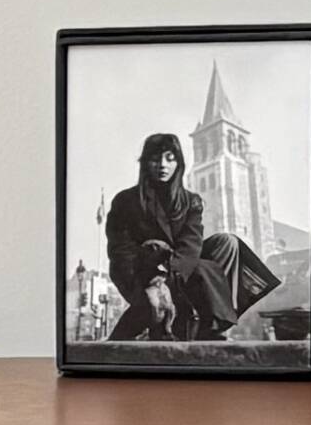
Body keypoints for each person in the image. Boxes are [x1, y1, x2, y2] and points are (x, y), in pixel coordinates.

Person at [104, 131, 279, 342]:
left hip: (178, 268)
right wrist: (152, 278)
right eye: (155, 158)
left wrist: (171, 271)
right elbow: (121, 250)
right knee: (203, 269)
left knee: (228, 243)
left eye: (170, 158)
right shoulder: (125, 200)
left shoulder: (190, 201)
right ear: (145, 163)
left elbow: (191, 243)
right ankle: (204, 320)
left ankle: (211, 320)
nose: (162, 164)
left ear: (178, 163)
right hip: (142, 271)